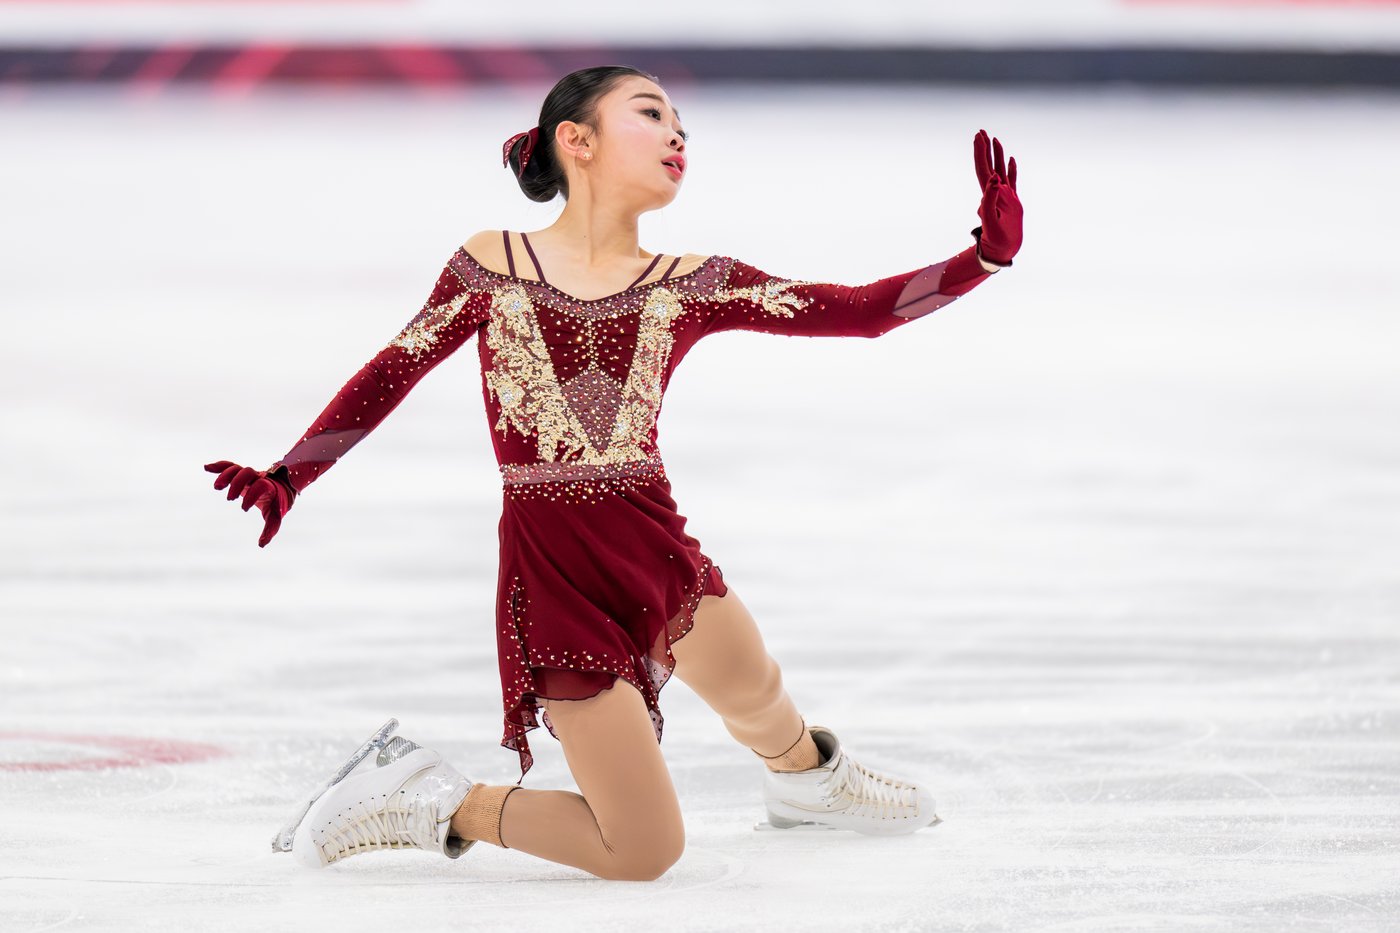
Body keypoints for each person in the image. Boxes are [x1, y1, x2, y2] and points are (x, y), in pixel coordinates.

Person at [204, 65, 1023, 882]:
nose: (677, 136)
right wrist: (291, 474)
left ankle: (810, 783)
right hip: (557, 575)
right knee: (642, 848)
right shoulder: (495, 264)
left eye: (683, 128)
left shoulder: (691, 283)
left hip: (651, 543)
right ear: (577, 140)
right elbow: (396, 367)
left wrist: (978, 260)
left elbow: (858, 311)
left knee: (755, 688)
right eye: (651, 114)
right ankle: (431, 796)